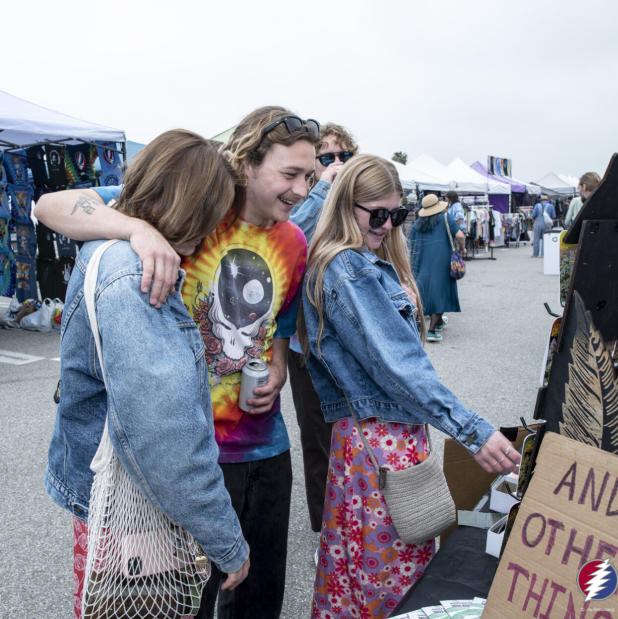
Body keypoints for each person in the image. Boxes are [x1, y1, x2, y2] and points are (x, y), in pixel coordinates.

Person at [35, 106, 318, 619]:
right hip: (190, 458)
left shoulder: (293, 241)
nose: (302, 190)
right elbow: (50, 205)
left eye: (312, 177)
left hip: (262, 445)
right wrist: (134, 231)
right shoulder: (194, 204)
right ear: (247, 165)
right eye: (290, 174)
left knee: (257, 596)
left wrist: (277, 367)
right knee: (185, 596)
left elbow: (282, 320)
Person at [299, 154, 520, 619]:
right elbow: (399, 367)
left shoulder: (359, 262)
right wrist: (473, 431)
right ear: (345, 206)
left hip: (378, 439)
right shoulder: (347, 268)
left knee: (363, 570)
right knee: (388, 577)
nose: (386, 225)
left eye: (395, 215)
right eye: (375, 214)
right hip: (379, 441)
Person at [287, 123, 359, 539]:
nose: (335, 164)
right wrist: (320, 191)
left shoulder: (358, 200)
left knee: (359, 434)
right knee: (318, 442)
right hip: (306, 342)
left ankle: (360, 526)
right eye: (326, 157)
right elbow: (289, 237)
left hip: (350, 338)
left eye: (342, 157)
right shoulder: (301, 199)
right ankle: (327, 535)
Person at [409, 193, 466, 342]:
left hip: (420, 260)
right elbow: (460, 236)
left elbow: (410, 243)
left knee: (424, 290)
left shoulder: (418, 223)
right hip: (442, 260)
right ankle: (432, 331)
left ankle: (438, 322)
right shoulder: (446, 218)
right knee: (441, 291)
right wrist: (462, 249)